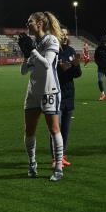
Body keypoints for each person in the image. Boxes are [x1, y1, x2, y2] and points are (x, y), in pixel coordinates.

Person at [18, 11, 65, 181]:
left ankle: (58, 167)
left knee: (53, 129)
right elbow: (23, 71)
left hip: (49, 90)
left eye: (29, 21)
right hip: (33, 91)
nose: (27, 24)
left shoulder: (51, 40)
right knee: (29, 130)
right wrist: (26, 55)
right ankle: (32, 164)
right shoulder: (34, 43)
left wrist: (32, 51)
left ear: (39, 23)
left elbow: (47, 64)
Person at [51, 28, 82, 167]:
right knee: (55, 128)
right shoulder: (53, 51)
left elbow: (77, 73)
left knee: (65, 129)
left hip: (69, 94)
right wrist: (60, 68)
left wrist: (74, 66)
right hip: (56, 93)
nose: (64, 36)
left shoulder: (71, 50)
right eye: (61, 33)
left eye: (66, 34)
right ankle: (55, 158)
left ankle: (62, 156)